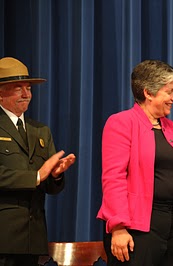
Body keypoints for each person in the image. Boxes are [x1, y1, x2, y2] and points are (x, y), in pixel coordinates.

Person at [97, 60, 173, 265]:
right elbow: (113, 178)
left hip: (170, 223)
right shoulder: (121, 122)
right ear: (148, 92)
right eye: (169, 92)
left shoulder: (171, 127)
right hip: (136, 226)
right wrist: (118, 227)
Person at [0, 57, 76, 266]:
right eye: (18, 88)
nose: (26, 94)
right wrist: (36, 176)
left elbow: (50, 187)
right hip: (3, 236)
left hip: (33, 237)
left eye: (28, 88)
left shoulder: (40, 130)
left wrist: (55, 174)